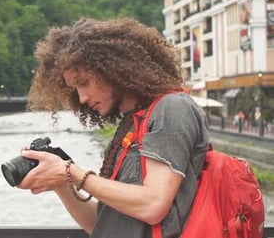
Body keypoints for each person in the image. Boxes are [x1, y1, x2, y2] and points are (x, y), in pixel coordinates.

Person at [18, 17, 210, 237]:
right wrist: (62, 182)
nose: (81, 98)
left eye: (84, 83)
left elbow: (153, 205)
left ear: (111, 68)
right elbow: (100, 225)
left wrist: (72, 173)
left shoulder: (172, 108)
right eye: (75, 89)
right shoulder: (130, 124)